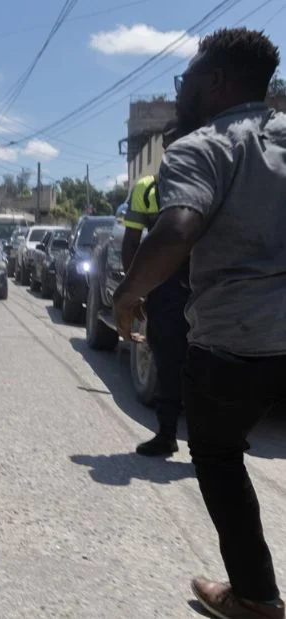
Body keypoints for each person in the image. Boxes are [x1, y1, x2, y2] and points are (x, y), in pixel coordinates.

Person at [114, 27, 286, 619]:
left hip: (238, 338)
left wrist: (128, 293)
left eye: (185, 78)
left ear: (215, 82)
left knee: (216, 454)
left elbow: (179, 226)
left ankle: (256, 597)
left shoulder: (202, 148)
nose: (179, 90)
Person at [121, 121, 191, 458]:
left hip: (210, 285)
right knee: (166, 359)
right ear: (164, 147)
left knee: (213, 363)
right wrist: (134, 289)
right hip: (166, 287)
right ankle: (167, 433)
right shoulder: (147, 188)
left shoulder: (218, 178)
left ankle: (219, 442)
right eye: (174, 142)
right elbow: (131, 242)